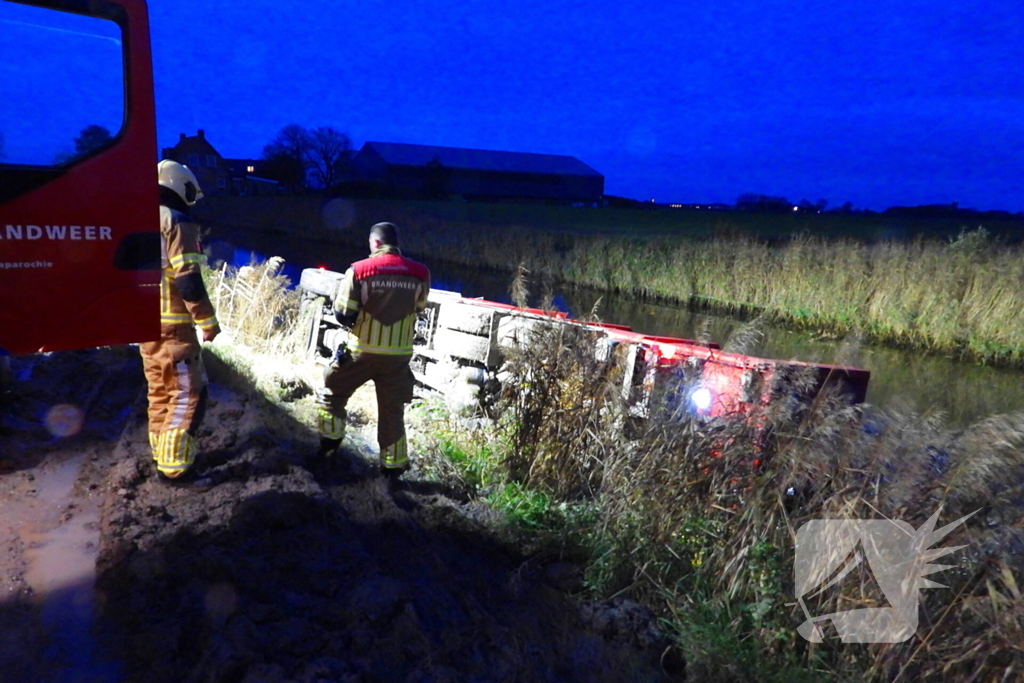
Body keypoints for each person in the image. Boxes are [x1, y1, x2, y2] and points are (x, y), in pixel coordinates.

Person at [315, 222, 430, 480]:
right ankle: (392, 469)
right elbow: (420, 306)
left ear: (375, 243)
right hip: (398, 355)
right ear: (395, 243)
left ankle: (329, 449)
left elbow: (344, 313)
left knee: (332, 393)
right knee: (392, 413)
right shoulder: (420, 272)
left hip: (362, 351)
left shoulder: (358, 270)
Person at [140, 160, 220, 485]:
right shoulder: (177, 221)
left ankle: (162, 457)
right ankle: (175, 470)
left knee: (160, 393)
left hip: (146, 326)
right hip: (174, 327)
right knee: (189, 394)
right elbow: (187, 280)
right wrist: (208, 321)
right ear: (179, 185)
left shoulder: (140, 219)